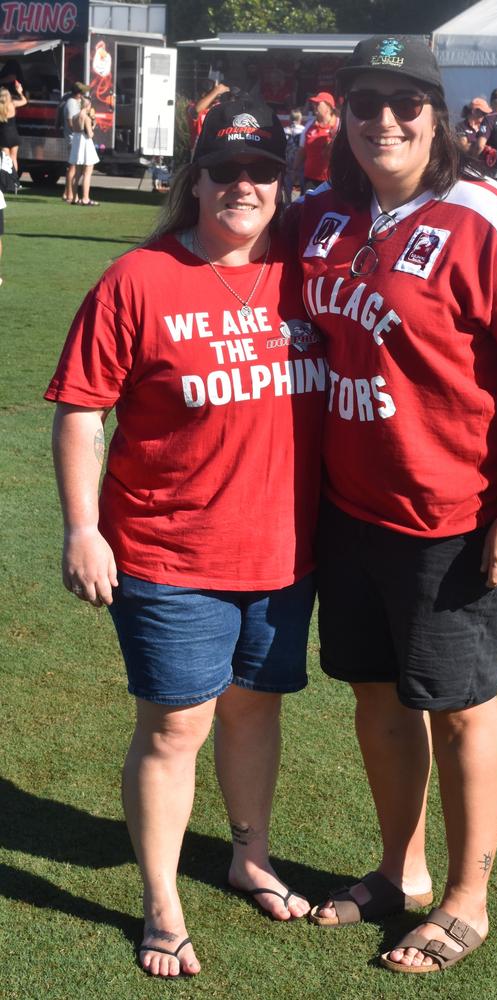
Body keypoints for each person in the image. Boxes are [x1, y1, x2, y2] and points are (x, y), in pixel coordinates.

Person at [294, 35, 497, 974]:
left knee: (462, 706)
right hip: (348, 510)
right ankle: (399, 870)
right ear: (343, 114)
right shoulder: (324, 216)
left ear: (438, 113)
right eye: (366, 101)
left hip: (454, 517)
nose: (385, 119)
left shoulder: (484, 215)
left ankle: (469, 898)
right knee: (376, 697)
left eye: (405, 102)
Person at [45, 95, 326, 979]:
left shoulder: (303, 272)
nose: (244, 186)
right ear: (194, 178)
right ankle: (162, 903)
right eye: (227, 169)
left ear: (283, 185)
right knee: (176, 727)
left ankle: (249, 854)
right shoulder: (140, 277)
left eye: (263, 172)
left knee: (254, 709)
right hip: (168, 553)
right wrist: (82, 528)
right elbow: (83, 412)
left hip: (284, 552)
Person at [294, 91, 339, 190]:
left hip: (333, 180)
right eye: (314, 103)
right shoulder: (309, 125)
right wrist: (294, 171)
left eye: (318, 103)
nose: (314, 105)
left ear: (328, 107)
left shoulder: (339, 126)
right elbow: (302, 151)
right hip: (310, 179)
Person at [62, 82, 90, 203]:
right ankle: (69, 195)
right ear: (79, 93)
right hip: (73, 138)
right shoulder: (72, 103)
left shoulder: (72, 102)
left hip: (74, 138)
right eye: (83, 92)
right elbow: (71, 122)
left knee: (73, 167)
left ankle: (67, 193)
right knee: (72, 168)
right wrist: (84, 127)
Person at [69, 96, 100, 205]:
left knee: (77, 173)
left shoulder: (74, 117)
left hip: (77, 143)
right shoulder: (86, 118)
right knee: (87, 173)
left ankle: (74, 198)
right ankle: (85, 198)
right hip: (86, 144)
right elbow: (90, 134)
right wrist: (93, 124)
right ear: (88, 106)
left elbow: (74, 129)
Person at [187, 77, 231, 150]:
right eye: (213, 93)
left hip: (215, 147)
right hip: (200, 148)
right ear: (203, 94)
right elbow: (196, 110)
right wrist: (216, 91)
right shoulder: (192, 107)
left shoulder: (217, 107)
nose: (217, 96)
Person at [0, 79, 27, 177]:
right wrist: (20, 92)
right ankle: (14, 181)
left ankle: (5, 181)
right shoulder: (13, 104)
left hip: (4, 136)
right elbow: (24, 101)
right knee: (14, 158)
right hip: (14, 135)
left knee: (5, 160)